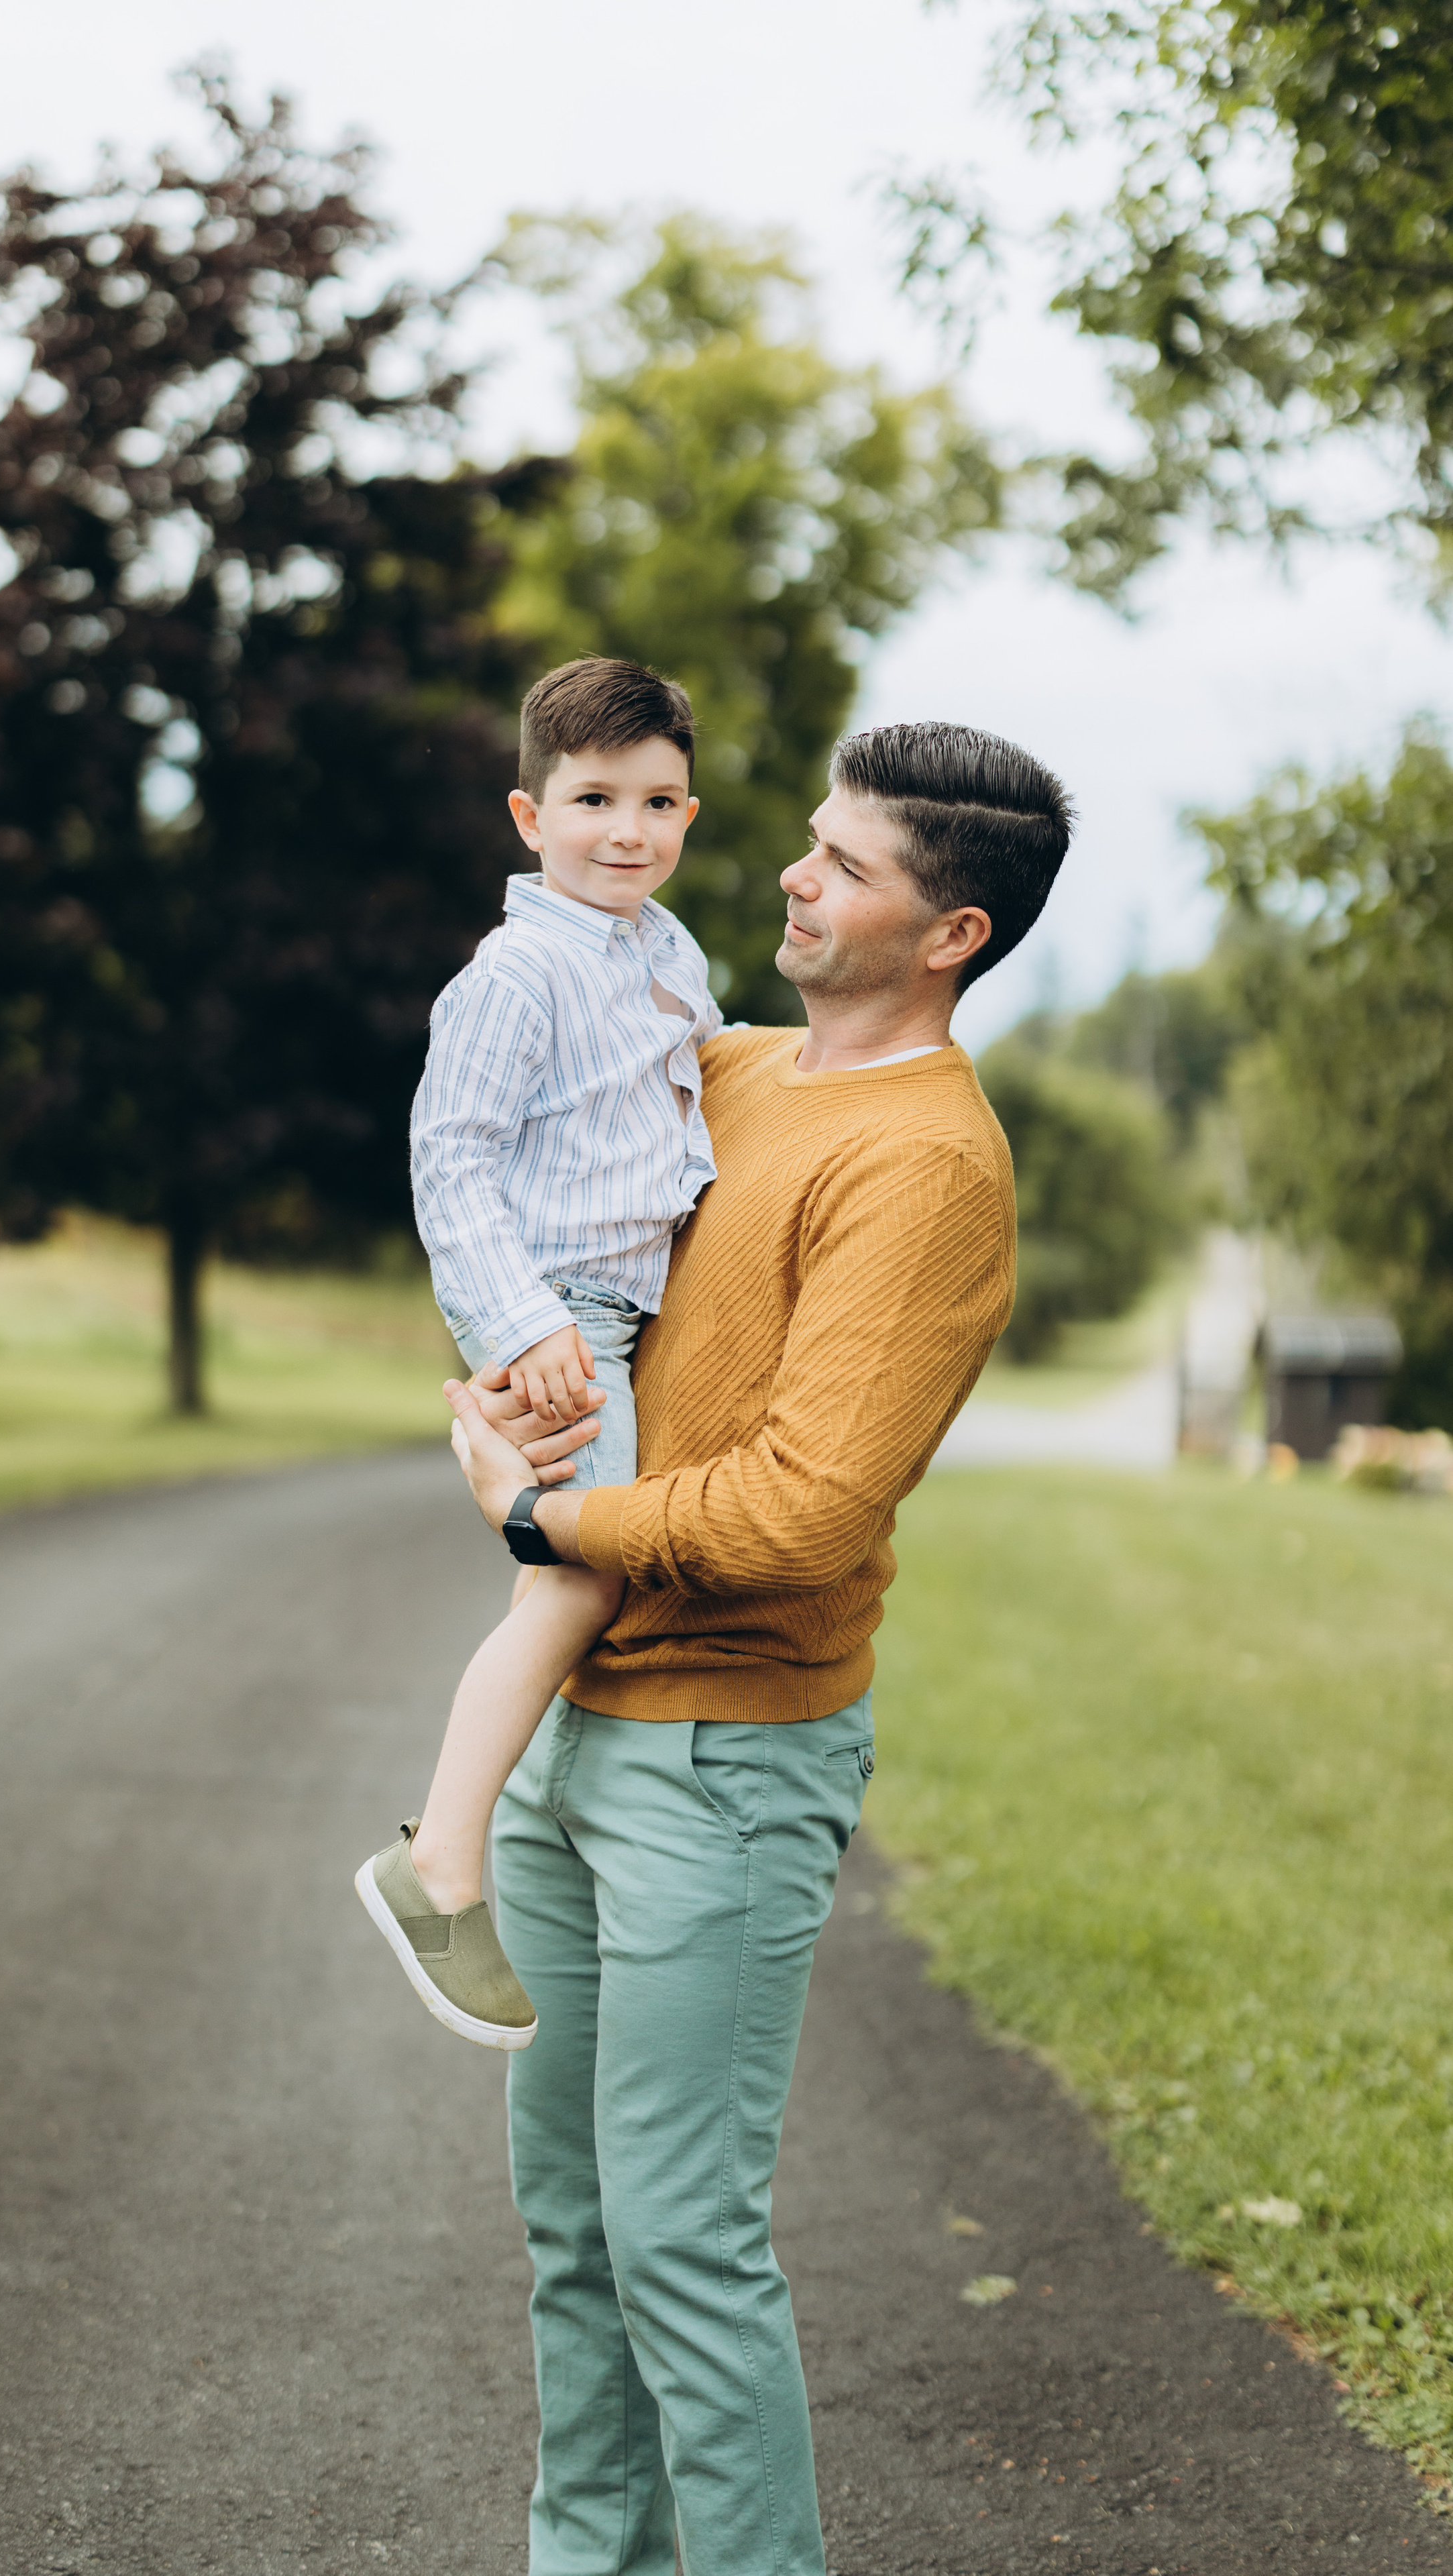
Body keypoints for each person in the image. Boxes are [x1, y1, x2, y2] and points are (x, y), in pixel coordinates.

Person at [440, 719, 1074, 2575]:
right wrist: (490, 1418)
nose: (792, 878)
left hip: (720, 1760)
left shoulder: (930, 1171)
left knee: (683, 2241)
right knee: (572, 2223)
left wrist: (547, 1523)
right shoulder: (711, 1067)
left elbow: (802, 1506)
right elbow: (540, 1259)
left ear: (949, 932)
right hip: (573, 1730)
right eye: (805, 842)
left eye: (847, 866)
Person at [356, 655, 722, 2047]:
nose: (627, 830)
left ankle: (528, 1833)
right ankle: (437, 1864)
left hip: (624, 1316)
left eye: (658, 801)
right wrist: (525, 1331)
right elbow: (451, 1165)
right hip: (554, 1313)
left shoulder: (665, 951)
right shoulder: (515, 974)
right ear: (528, 815)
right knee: (575, 1584)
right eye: (593, 800)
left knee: (586, 1586)